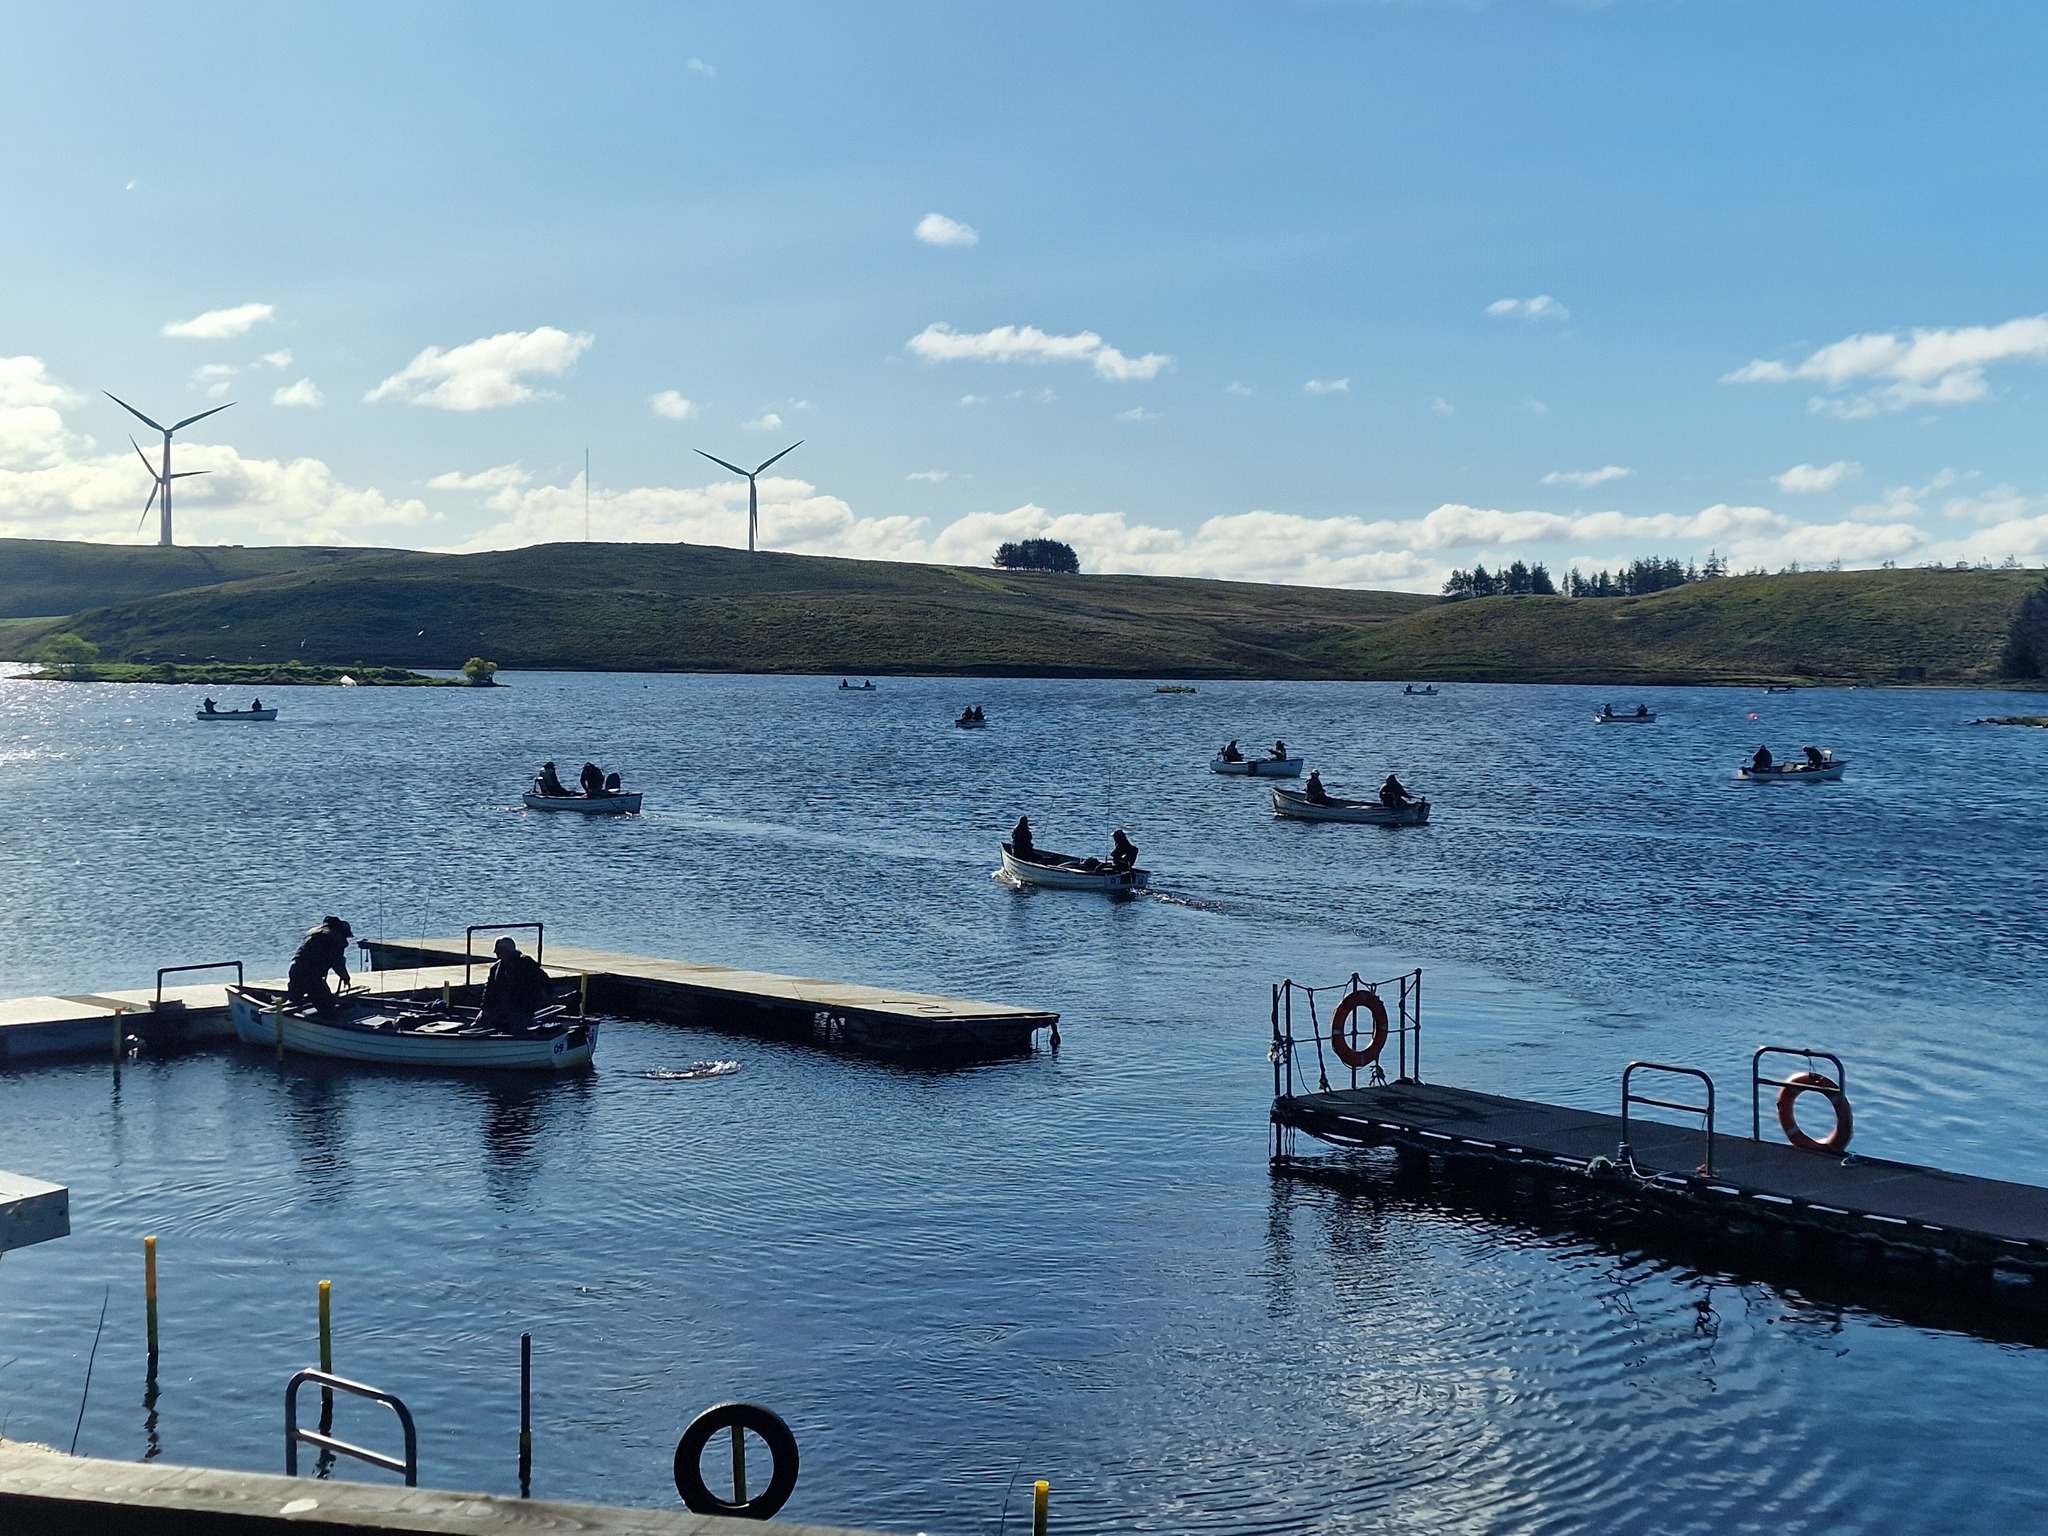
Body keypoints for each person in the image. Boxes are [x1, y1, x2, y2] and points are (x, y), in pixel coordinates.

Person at [285, 915, 354, 1017]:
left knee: (294, 1002)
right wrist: (345, 977)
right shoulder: (334, 938)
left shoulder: (315, 934)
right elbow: (337, 963)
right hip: (311, 976)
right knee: (328, 1008)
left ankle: (290, 1020)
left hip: (295, 970)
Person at [480, 936, 551, 1029]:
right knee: (481, 1022)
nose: (497, 954)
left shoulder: (526, 963)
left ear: (508, 951)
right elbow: (489, 990)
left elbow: (544, 981)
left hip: (522, 1007)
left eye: (500, 951)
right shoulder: (495, 968)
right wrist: (485, 1008)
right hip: (501, 1007)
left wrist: (547, 996)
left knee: (517, 1023)